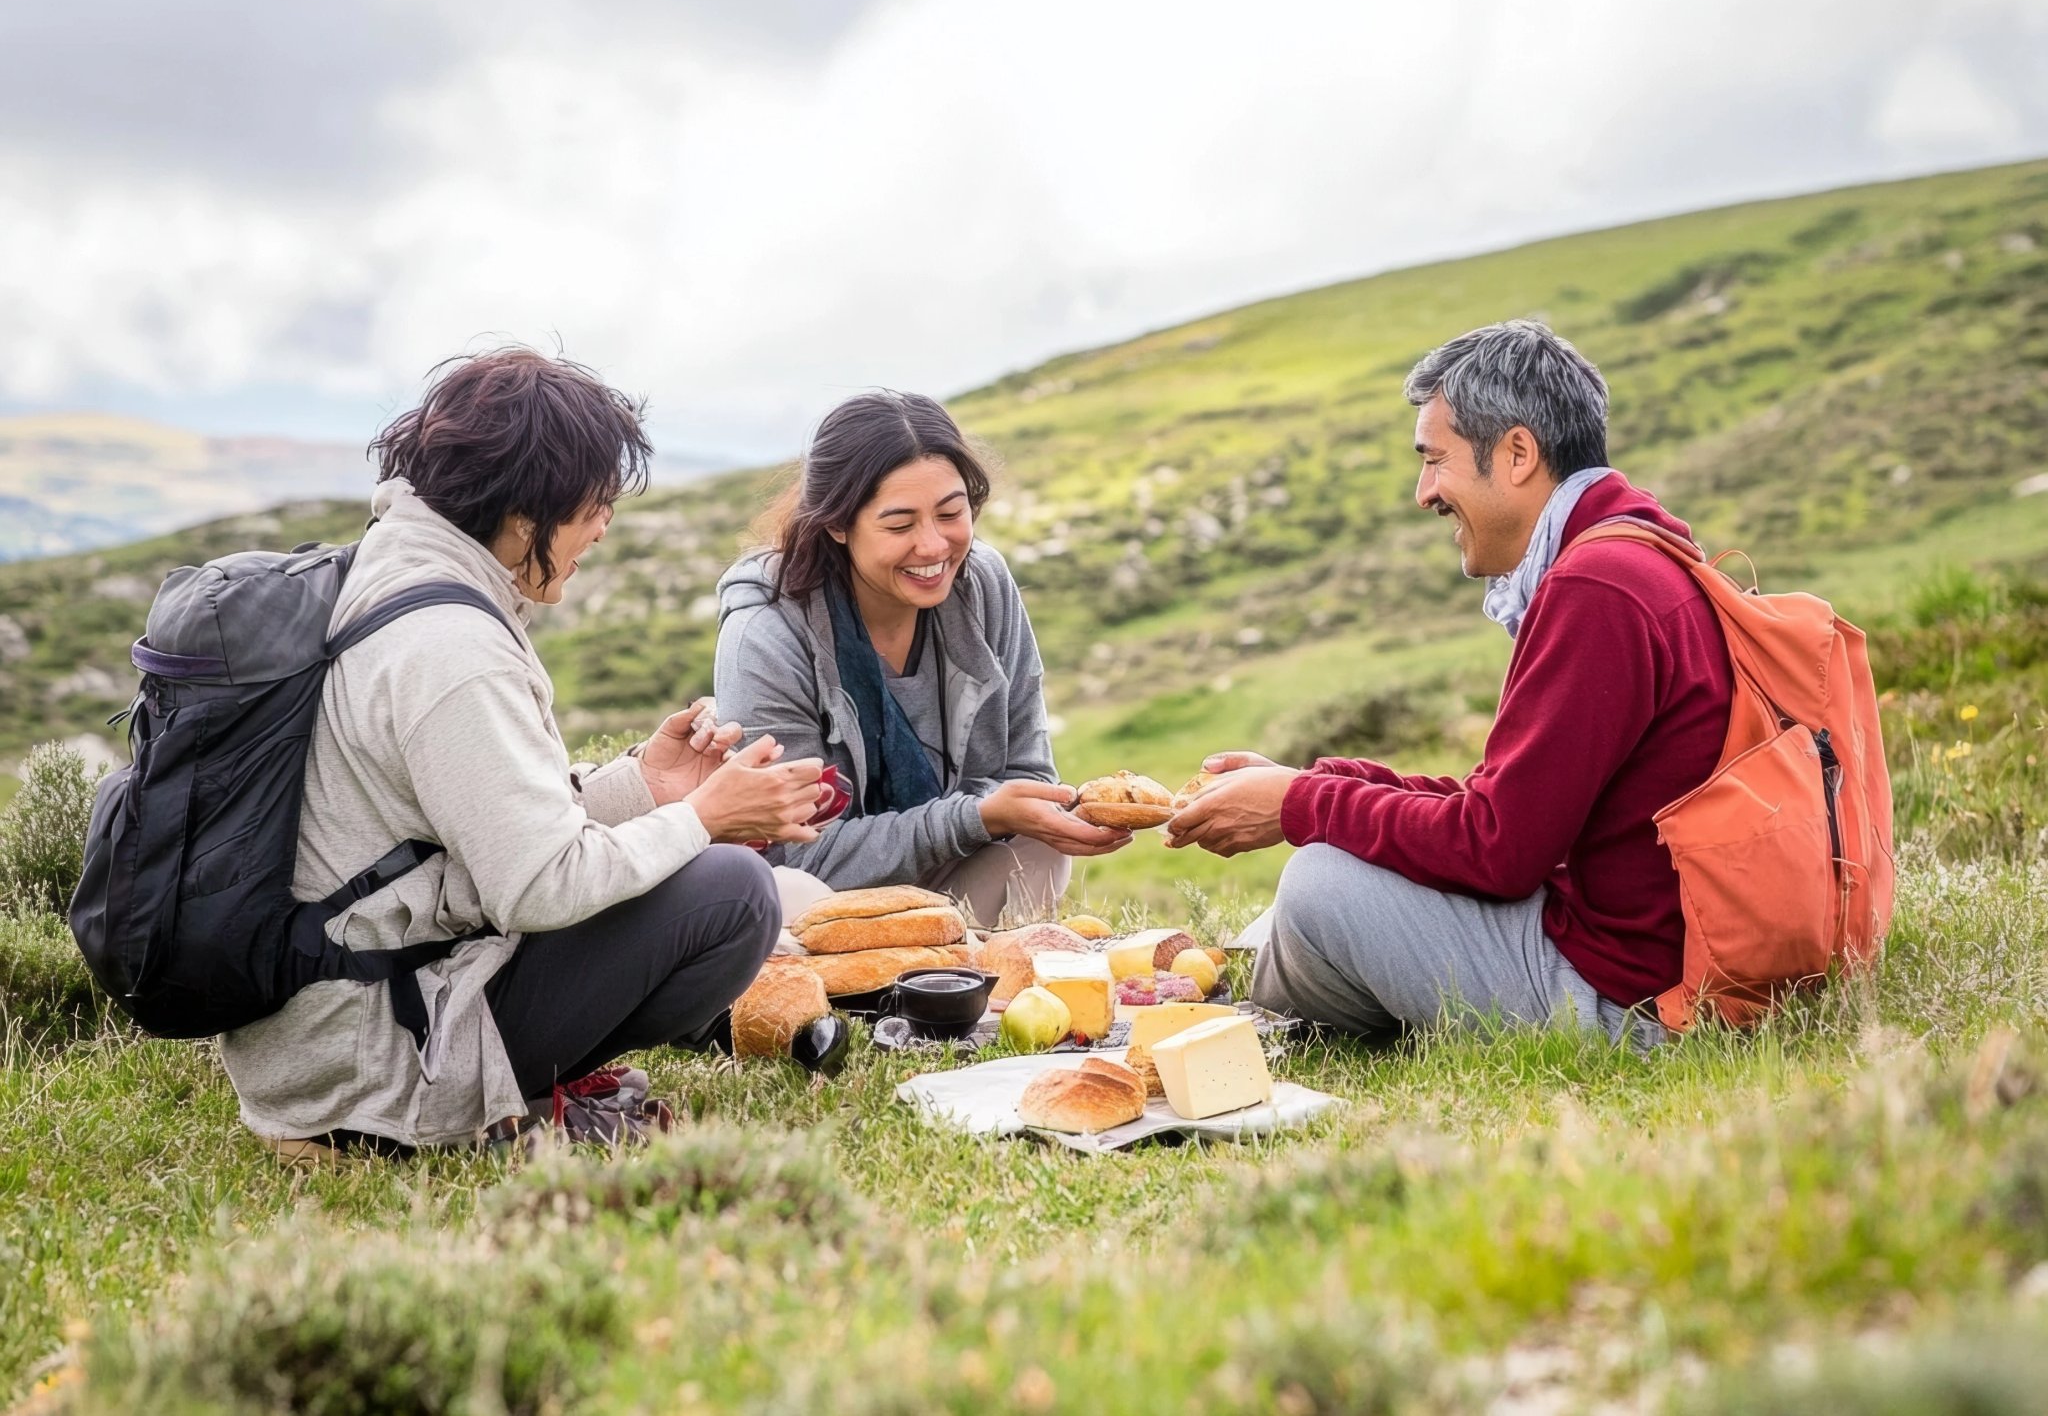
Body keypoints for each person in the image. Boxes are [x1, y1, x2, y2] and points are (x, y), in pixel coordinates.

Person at [221, 346, 830, 1155]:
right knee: (733, 893)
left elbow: (481, 820)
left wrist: (645, 784)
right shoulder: (451, 648)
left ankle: (512, 1092)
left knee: (710, 876)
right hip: (370, 1061)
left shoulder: (395, 574)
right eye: (592, 504)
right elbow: (539, 884)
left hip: (328, 1026)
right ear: (523, 512)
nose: (605, 526)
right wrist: (700, 816)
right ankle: (443, 1121)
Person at [1166, 320, 1734, 1048]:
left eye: (1435, 460)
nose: (1423, 492)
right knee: (1333, 880)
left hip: (1634, 1006)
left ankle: (1259, 1038)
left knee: (1317, 886)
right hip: (1659, 966)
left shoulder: (1600, 587)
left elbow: (1496, 850)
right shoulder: (1638, 556)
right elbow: (1507, 810)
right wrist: (1308, 780)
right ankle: (1273, 1013)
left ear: (1518, 453)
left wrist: (1300, 805)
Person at [714, 390, 1127, 929]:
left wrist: (1012, 814)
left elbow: (1027, 772)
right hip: (820, 907)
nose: (933, 547)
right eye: (900, 525)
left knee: (1041, 846)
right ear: (838, 524)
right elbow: (800, 853)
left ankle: (965, 983)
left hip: (943, 880)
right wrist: (972, 817)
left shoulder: (982, 585)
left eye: (951, 514)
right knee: (788, 890)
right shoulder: (765, 635)